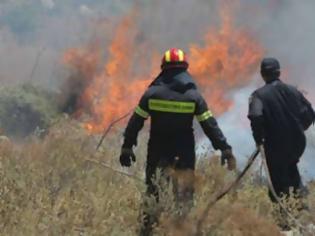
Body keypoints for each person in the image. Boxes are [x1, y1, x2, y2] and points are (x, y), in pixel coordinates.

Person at [119, 48, 236, 235]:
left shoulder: (152, 94)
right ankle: (183, 230)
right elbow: (209, 125)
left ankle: (149, 230)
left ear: (163, 69)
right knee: (184, 196)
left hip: (158, 152)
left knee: (154, 192)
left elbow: (135, 122)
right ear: (185, 70)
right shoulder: (193, 96)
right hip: (184, 153)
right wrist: (225, 149)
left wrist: (127, 147)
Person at [248, 57, 315, 203]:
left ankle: (283, 217)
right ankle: (300, 208)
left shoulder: (258, 95)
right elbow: (310, 114)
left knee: (278, 182)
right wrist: (299, 129)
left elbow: (255, 116)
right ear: (279, 72)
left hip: (275, 146)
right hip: (297, 144)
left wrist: (259, 139)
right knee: (291, 170)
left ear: (262, 74)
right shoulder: (293, 91)